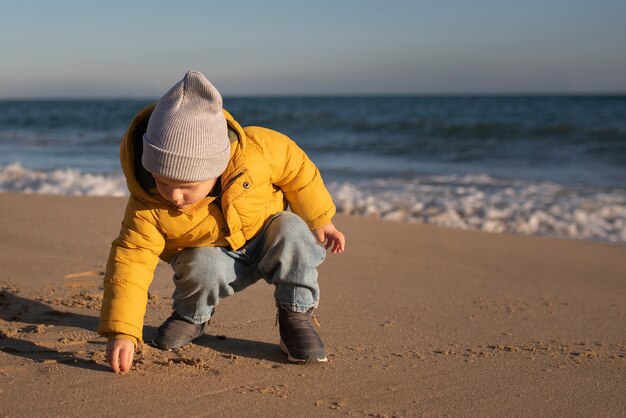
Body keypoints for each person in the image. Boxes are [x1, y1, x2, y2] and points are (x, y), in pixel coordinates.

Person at [98, 71, 345, 373]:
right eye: (163, 182)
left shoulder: (257, 153)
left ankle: (295, 316)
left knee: (291, 228)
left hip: (267, 237)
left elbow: (298, 169)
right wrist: (123, 330)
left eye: (187, 186)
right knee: (200, 263)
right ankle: (192, 315)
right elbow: (131, 262)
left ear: (217, 167)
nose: (174, 195)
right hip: (214, 258)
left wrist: (321, 219)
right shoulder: (148, 204)